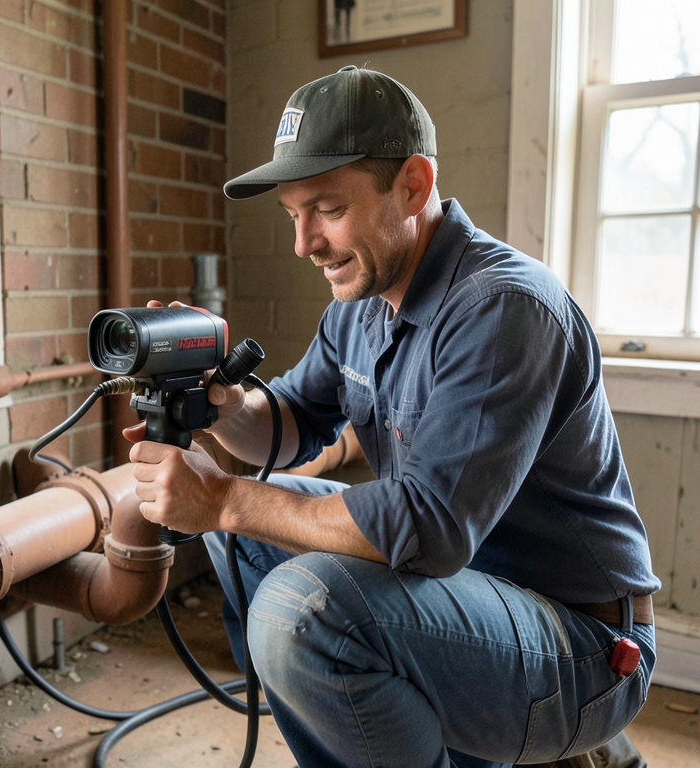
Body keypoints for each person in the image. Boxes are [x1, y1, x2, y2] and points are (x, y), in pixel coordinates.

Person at [124, 65, 659, 768]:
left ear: (413, 185)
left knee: (299, 608)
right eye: (293, 216)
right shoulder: (361, 308)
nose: (304, 243)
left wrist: (222, 499)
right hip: (460, 600)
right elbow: (287, 425)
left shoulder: (502, 308)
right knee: (249, 542)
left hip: (579, 645)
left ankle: (559, 744)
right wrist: (215, 405)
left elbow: (427, 528)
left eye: (327, 210)